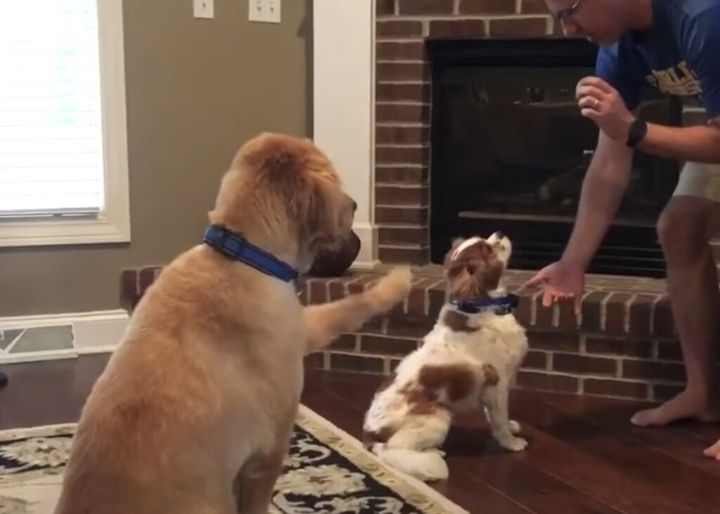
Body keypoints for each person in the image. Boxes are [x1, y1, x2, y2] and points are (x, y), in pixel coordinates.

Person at [527, 0, 720, 459]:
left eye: (569, 12)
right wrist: (573, 263)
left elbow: (629, 133)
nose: (567, 29)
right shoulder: (617, 50)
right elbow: (610, 162)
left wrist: (633, 129)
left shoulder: (703, 16)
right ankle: (703, 394)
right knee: (679, 227)